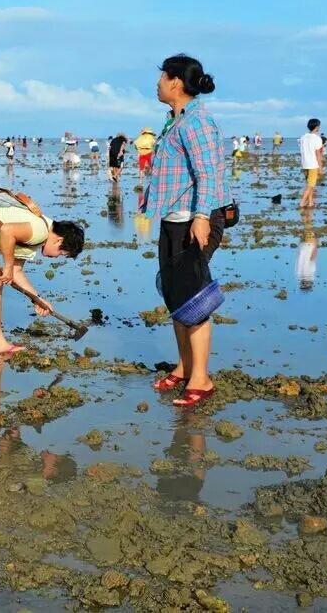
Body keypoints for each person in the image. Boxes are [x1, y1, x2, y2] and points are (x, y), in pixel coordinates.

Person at [142, 54, 229, 408]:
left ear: (176, 81)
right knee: (176, 296)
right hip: (173, 218)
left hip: (195, 219)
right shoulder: (174, 121)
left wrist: (202, 217)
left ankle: (201, 379)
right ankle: (184, 367)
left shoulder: (197, 122)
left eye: (162, 77)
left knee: (194, 298)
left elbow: (208, 173)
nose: (158, 83)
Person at [0, 189, 84, 365]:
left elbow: (17, 273)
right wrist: (8, 266)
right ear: (58, 241)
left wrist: (37, 299)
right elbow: (7, 230)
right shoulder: (40, 230)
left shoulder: (39, 237)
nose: (56, 256)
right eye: (62, 253)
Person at [299, 118, 325, 209]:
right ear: (317, 127)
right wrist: (321, 167)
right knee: (311, 185)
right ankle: (302, 202)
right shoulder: (317, 138)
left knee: (309, 184)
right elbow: (318, 154)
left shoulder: (303, 137)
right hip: (313, 164)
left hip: (304, 163)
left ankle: (310, 202)